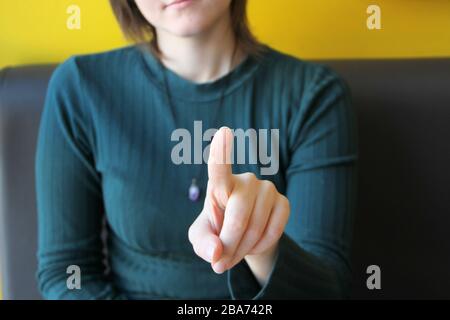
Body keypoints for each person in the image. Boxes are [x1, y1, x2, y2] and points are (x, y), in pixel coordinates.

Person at [36, 0, 358, 299]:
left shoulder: (315, 97)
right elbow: (65, 273)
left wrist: (262, 244)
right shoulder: (79, 89)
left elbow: (327, 290)